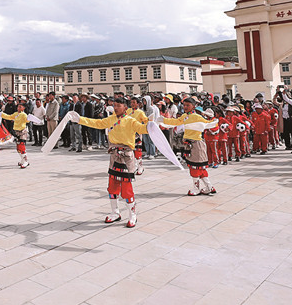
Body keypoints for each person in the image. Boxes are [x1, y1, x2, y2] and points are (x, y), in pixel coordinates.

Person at [76, 96, 151, 228]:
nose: (116, 108)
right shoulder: (111, 119)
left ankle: (132, 214)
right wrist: (79, 119)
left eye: (118, 106)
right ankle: (115, 212)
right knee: (112, 186)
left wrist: (152, 125)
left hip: (126, 156)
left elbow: (142, 129)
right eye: (114, 106)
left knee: (126, 188)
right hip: (114, 155)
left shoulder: (131, 120)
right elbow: (97, 123)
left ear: (125, 108)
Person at [164, 98, 218, 196]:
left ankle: (196, 188)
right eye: (184, 105)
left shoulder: (197, 117)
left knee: (196, 167)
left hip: (196, 144)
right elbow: (175, 122)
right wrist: (163, 120)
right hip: (189, 144)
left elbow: (209, 124)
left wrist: (214, 120)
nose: (185, 107)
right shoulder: (184, 116)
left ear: (193, 106)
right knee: (198, 168)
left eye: (188, 105)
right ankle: (209, 186)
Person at [2, 103, 30, 168]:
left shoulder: (24, 114)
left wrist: (29, 118)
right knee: (18, 148)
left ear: (23, 108)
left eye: (20, 107)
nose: (18, 108)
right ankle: (22, 160)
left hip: (22, 132)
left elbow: (27, 121)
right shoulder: (16, 114)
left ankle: (25, 161)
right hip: (16, 132)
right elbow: (9, 117)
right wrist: (2, 114)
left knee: (22, 146)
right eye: (18, 107)